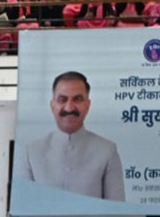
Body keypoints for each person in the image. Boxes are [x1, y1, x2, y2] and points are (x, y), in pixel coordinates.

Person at [16, 71, 125, 201]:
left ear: (88, 105)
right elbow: (24, 205)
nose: (69, 108)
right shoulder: (32, 151)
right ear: (52, 106)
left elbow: (116, 210)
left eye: (77, 99)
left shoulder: (107, 150)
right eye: (62, 100)